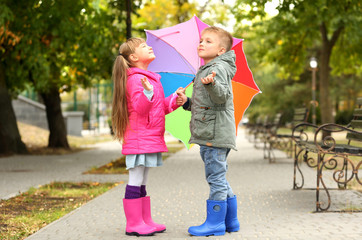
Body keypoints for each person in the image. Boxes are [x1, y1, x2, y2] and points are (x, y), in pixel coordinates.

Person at [112, 37, 185, 236]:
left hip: (149, 137)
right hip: (139, 138)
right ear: (134, 57)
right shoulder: (136, 79)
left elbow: (158, 109)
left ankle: (145, 219)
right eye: (144, 46)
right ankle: (134, 223)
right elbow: (140, 108)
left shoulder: (149, 79)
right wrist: (147, 92)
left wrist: (174, 99)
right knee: (135, 178)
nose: (150, 46)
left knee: (142, 179)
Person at [177, 26, 240, 236]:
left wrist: (212, 84)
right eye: (201, 40)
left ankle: (215, 224)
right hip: (211, 133)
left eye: (208, 41)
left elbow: (221, 97)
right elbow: (205, 104)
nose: (201, 43)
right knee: (219, 177)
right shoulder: (208, 68)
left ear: (221, 50)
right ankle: (231, 221)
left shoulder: (218, 68)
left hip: (214, 134)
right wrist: (187, 102)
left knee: (215, 179)